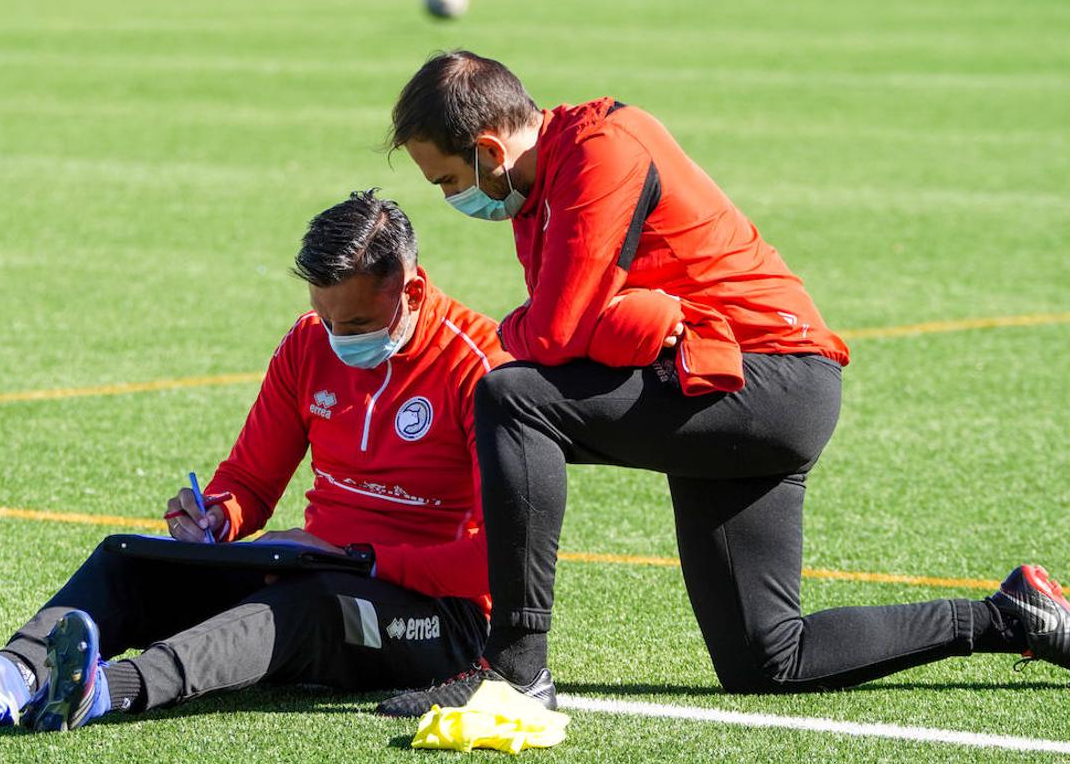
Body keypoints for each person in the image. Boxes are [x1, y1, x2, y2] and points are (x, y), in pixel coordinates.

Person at [374, 51, 1069, 716]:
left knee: (511, 397)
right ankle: (1012, 616)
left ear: (490, 151)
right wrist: (619, 322)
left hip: (770, 383)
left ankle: (515, 669)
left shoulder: (601, 146)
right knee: (769, 662)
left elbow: (553, 333)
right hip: (718, 381)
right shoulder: (541, 182)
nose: (450, 197)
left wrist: (541, 326)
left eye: (446, 180)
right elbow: (575, 328)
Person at [0, 190, 512, 731]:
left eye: (356, 323)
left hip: (438, 616)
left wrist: (359, 560)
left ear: (413, 288)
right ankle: (11, 674)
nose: (339, 338)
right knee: (131, 557)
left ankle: (103, 691)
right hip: (311, 564)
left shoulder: (481, 370)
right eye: (326, 320)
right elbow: (251, 481)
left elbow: (495, 562)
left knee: (308, 601)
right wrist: (218, 516)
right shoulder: (306, 343)